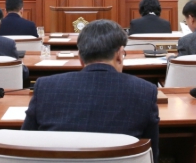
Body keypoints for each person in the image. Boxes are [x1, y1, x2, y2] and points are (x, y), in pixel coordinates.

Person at [22, 20, 159, 163]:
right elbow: (152, 155)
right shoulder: (145, 91)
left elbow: (24, 145)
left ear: (80, 57)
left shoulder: (45, 87)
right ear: (119, 54)